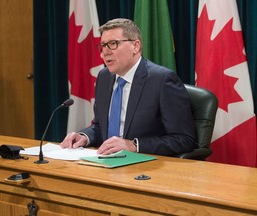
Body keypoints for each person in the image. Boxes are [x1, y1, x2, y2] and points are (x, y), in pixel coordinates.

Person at [60, 18, 196, 156]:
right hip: (106, 161)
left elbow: (184, 139)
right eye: (103, 45)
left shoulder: (162, 80)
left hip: (145, 166)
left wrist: (134, 145)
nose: (105, 52)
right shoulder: (104, 77)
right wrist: (84, 136)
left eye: (113, 44)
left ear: (135, 46)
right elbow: (100, 127)